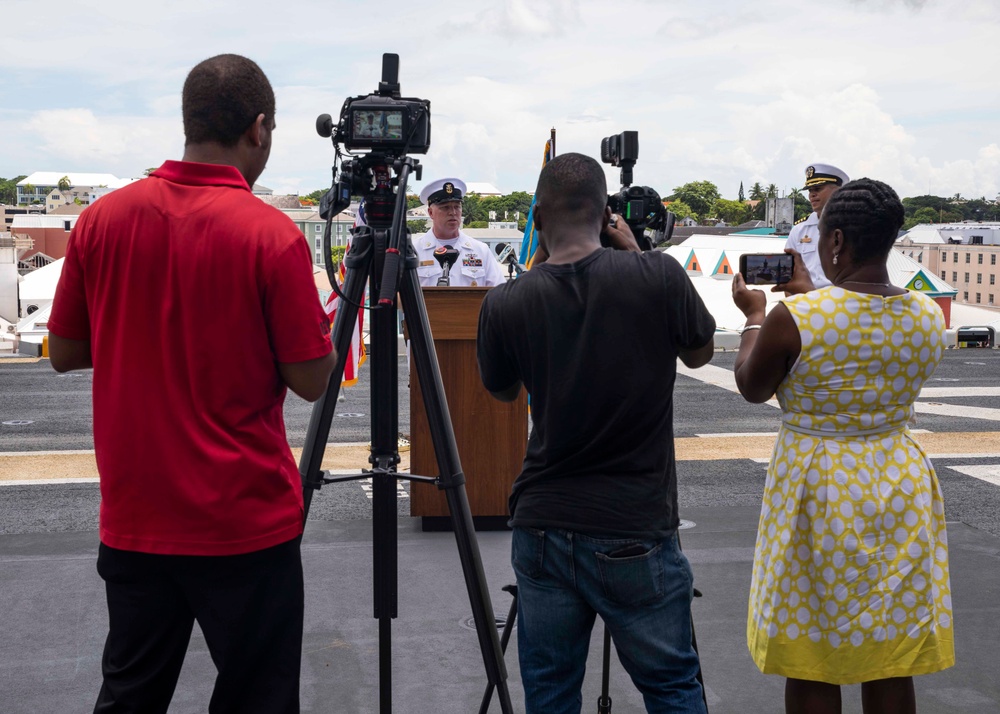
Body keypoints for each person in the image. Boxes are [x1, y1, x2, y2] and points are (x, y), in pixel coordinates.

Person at [47, 54, 336, 713]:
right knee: (255, 699)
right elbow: (312, 381)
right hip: (244, 522)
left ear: (188, 122)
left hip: (135, 516)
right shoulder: (270, 235)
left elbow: (64, 351)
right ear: (259, 128)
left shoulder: (102, 221)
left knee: (129, 693)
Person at [477, 153, 716, 713]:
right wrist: (636, 253)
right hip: (633, 524)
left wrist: (535, 270)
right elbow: (701, 352)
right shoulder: (657, 274)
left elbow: (503, 392)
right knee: (672, 684)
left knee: (552, 690)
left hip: (542, 524)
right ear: (607, 213)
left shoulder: (507, 301)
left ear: (538, 216)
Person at [731, 178, 954, 714]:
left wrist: (755, 318)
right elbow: (861, 332)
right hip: (898, 480)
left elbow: (752, 386)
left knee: (813, 649)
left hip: (818, 483)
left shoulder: (795, 319)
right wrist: (813, 295)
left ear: (834, 243)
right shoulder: (927, 316)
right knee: (891, 648)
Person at [413, 177, 505, 287]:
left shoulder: (480, 250)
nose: (453, 212)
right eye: (445, 207)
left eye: (457, 207)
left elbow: (498, 291)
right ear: (431, 212)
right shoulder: (414, 251)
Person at [785, 163, 849, 288]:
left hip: (840, 301)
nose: (812, 195)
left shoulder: (852, 227)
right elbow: (789, 276)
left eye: (818, 189)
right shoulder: (799, 230)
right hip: (805, 301)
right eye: (810, 190)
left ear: (838, 191)